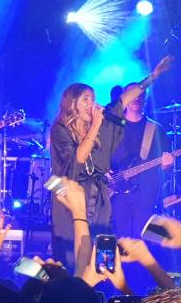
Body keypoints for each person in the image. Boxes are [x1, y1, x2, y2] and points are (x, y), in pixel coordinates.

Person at [49, 57, 172, 271]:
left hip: (98, 199)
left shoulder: (100, 124)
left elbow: (123, 100)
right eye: (86, 99)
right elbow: (78, 159)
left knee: (99, 252)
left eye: (93, 98)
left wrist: (153, 76)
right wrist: (96, 124)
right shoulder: (60, 129)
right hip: (72, 199)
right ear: (72, 103)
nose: (92, 104)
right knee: (72, 255)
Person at [109, 84, 174, 238]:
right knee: (120, 237)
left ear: (146, 99)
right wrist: (105, 172)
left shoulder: (156, 130)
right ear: (123, 98)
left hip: (146, 193)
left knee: (143, 237)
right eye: (133, 94)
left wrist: (167, 165)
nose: (137, 98)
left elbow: (165, 167)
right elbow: (99, 155)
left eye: (141, 95)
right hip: (116, 191)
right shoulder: (111, 126)